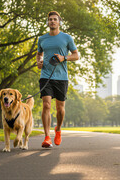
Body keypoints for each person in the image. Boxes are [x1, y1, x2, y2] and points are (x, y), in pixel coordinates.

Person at [36, 11, 79, 148]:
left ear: (59, 22)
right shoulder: (42, 39)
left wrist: (63, 58)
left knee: (60, 109)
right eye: (50, 19)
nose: (52, 21)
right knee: (46, 105)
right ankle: (47, 137)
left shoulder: (66, 38)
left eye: (55, 19)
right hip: (46, 76)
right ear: (47, 22)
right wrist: (39, 62)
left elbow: (76, 55)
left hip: (61, 77)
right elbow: (38, 54)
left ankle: (58, 129)